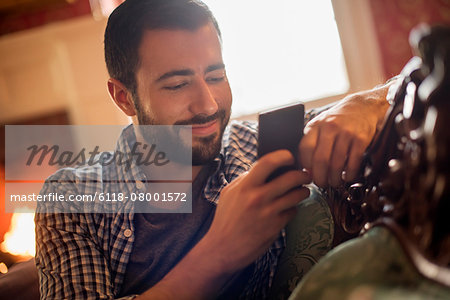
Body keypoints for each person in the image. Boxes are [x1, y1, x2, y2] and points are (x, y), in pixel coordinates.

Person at [34, 0, 392, 299]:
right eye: (177, 84)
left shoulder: (260, 147)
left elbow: (420, 82)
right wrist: (219, 253)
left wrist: (367, 101)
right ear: (124, 97)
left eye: (216, 76)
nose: (207, 104)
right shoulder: (71, 198)